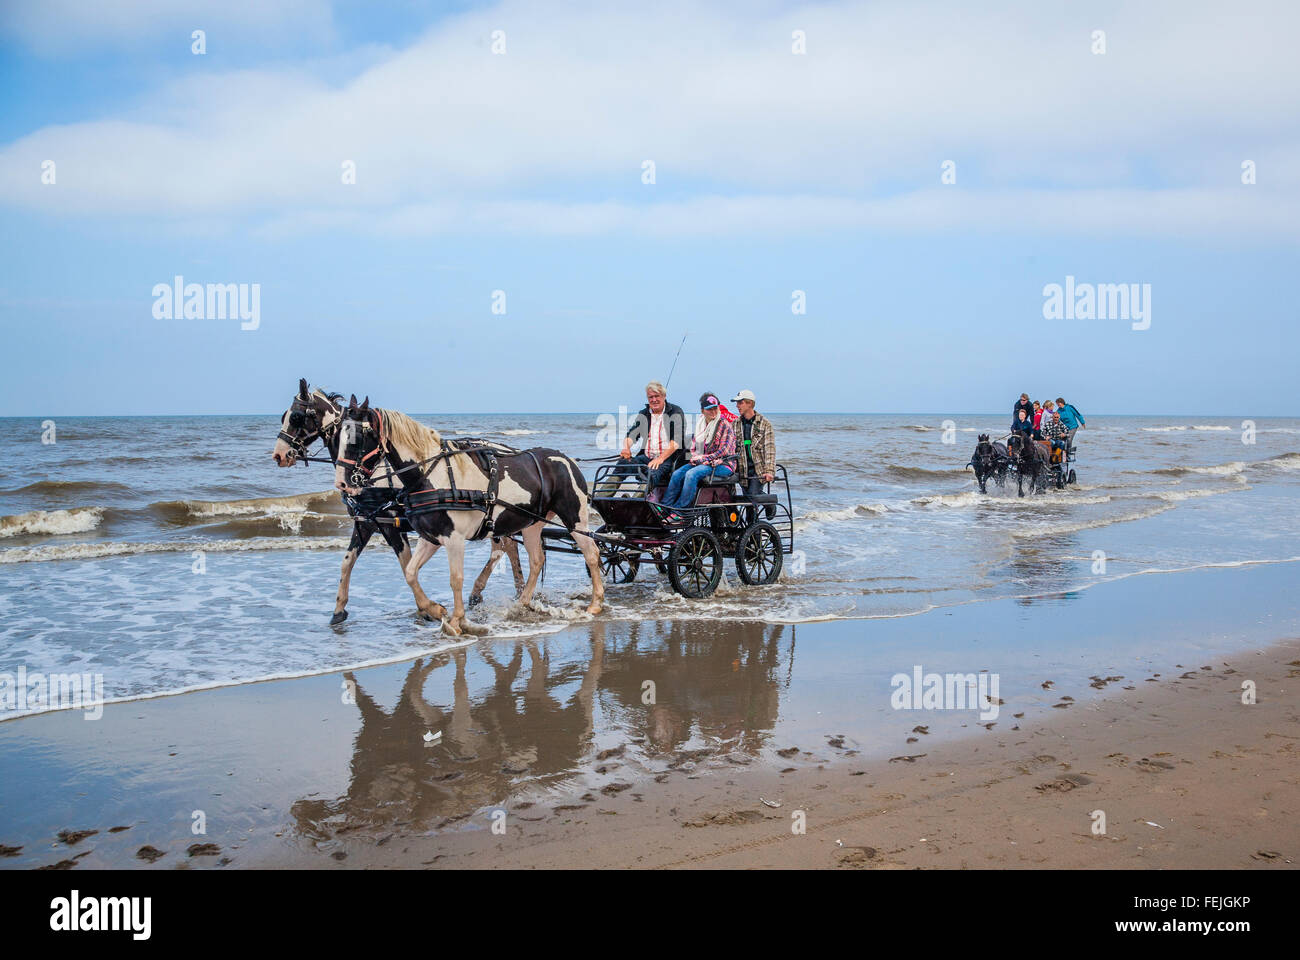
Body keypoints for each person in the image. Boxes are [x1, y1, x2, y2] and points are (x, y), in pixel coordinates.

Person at [662, 393, 737, 510]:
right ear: (702, 411)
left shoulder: (724, 424)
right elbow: (693, 446)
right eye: (709, 409)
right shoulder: (700, 424)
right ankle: (665, 507)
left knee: (691, 474)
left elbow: (724, 451)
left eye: (715, 408)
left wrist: (703, 459)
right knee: (677, 474)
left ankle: (681, 509)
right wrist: (694, 457)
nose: (713, 412)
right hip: (703, 463)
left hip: (723, 464)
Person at [618, 380, 686, 489]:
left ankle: (639, 500)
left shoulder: (675, 412)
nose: (654, 400)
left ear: (664, 396)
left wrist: (660, 459)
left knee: (651, 473)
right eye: (650, 397)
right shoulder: (644, 413)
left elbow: (676, 441)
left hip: (668, 459)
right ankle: (602, 498)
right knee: (622, 464)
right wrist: (626, 448)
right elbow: (632, 434)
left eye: (657, 396)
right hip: (646, 457)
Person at [731, 388, 775, 498]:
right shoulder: (735, 424)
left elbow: (770, 449)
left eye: (740, 403)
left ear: (750, 403)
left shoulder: (765, 424)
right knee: (748, 500)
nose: (737, 406)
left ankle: (769, 503)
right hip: (742, 469)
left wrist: (769, 471)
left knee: (752, 498)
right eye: (737, 403)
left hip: (758, 470)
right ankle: (767, 502)